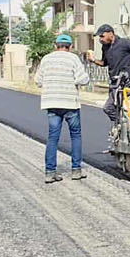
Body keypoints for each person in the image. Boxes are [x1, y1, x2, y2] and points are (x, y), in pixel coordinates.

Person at [35, 34, 91, 182]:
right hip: (70, 104)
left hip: (51, 103)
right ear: (70, 47)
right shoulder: (73, 59)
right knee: (75, 135)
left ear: (55, 46)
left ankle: (50, 172)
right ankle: (76, 170)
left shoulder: (46, 59)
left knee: (53, 137)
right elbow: (81, 79)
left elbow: (38, 81)